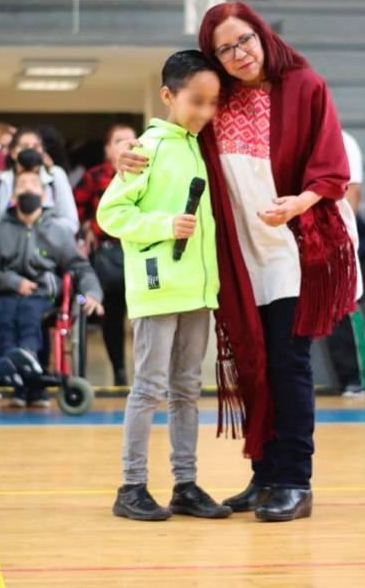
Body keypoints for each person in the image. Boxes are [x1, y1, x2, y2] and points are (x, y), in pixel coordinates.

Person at [118, 1, 357, 522]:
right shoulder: (216, 101)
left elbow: (332, 168)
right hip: (237, 253)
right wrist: (127, 158)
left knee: (289, 363)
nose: (238, 53)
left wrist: (299, 203)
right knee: (253, 362)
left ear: (261, 33)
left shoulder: (305, 86)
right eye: (224, 48)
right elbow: (173, 142)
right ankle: (265, 475)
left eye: (244, 39)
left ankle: (295, 481)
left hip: (294, 243)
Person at [99, 50, 228, 522]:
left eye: (213, 103)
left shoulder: (200, 144)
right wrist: (163, 225)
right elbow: (110, 213)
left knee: (187, 390)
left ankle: (185, 484)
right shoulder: (149, 148)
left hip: (197, 291)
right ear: (168, 96)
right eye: (197, 101)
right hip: (159, 287)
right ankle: (131, 486)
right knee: (149, 388)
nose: (206, 112)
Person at [0, 170, 103, 406]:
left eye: (33, 185)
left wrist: (92, 293)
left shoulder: (57, 230)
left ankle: (23, 365)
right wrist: (13, 282)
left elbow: (80, 267)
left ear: (44, 196)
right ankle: (16, 370)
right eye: (22, 186)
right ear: (13, 197)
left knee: (29, 312)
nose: (28, 189)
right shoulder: (0, 229)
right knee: (4, 313)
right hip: (7, 291)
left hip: (42, 293)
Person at [73, 122, 136, 385]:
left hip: (141, 250)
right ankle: (119, 370)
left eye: (133, 140)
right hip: (109, 253)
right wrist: (85, 228)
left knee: (147, 318)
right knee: (112, 315)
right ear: (108, 148)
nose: (128, 145)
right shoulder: (95, 176)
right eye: (120, 140)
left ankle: (149, 375)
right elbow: (75, 208)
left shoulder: (147, 171)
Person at [326, 129, 365, 397]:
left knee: (343, 306)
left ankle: (354, 379)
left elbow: (352, 192)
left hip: (333, 235)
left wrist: (338, 236)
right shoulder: (285, 134)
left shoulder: (343, 140)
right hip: (291, 232)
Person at [0, 129, 79, 236]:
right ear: (13, 152)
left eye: (36, 147)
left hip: (47, 248)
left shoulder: (55, 175)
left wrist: (36, 227)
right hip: (7, 248)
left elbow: (71, 223)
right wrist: (13, 226)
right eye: (24, 147)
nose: (31, 150)